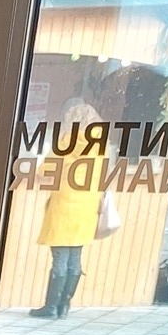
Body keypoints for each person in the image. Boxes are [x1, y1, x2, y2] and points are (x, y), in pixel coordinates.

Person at [29, 98, 101, 320]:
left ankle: (51, 307)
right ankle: (64, 306)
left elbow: (44, 170)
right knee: (75, 257)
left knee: (60, 258)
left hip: (64, 206)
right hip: (86, 208)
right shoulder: (100, 146)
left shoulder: (66, 142)